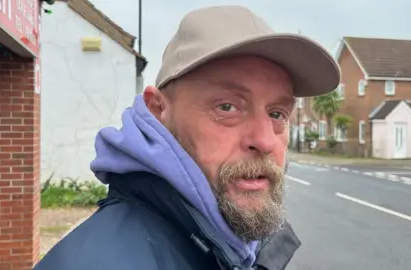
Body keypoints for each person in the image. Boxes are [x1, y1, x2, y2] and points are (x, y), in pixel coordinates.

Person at [34, 5, 340, 270]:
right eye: (227, 107)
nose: (265, 141)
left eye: (277, 114)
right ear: (158, 112)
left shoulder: (239, 242)